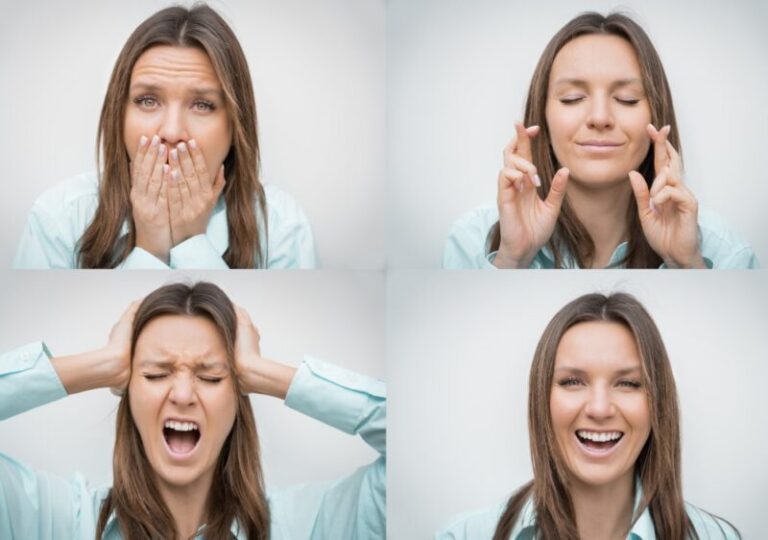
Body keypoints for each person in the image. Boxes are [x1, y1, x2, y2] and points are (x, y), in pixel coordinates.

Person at [0, 282, 385, 539]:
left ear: (240, 398)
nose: (183, 394)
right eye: (155, 374)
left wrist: (260, 372)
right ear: (127, 393)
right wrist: (101, 364)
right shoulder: (56, 520)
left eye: (212, 377)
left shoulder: (307, 524)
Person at [442, 12, 757, 269]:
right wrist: (513, 257)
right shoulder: (472, 242)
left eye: (627, 99)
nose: (599, 117)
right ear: (542, 118)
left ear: (656, 118)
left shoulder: (725, 253)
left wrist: (686, 263)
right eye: (572, 98)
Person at [13, 5, 316, 269]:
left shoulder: (282, 227)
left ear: (236, 126)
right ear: (118, 115)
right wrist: (150, 247)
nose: (171, 132)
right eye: (148, 100)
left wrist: (191, 241)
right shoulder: (59, 217)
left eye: (202, 105)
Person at [436, 292, 738, 539]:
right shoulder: (465, 535)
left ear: (658, 403)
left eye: (628, 383)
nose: (599, 409)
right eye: (572, 382)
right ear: (542, 398)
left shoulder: (716, 536)